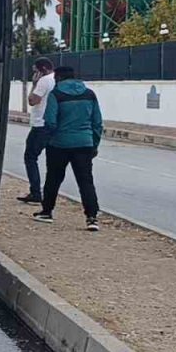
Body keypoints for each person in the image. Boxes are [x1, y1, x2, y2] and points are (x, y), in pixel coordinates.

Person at [34, 66, 104, 231]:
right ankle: (92, 217)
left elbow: (50, 121)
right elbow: (97, 123)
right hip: (84, 143)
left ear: (58, 78)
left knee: (53, 178)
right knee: (85, 181)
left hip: (59, 144)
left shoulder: (56, 95)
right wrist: (94, 144)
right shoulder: (90, 94)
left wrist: (49, 139)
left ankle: (47, 211)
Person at [17, 57, 55, 203]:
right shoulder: (56, 79)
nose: (34, 74)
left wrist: (34, 85)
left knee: (30, 157)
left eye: (35, 71)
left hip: (40, 124)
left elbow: (33, 101)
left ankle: (36, 193)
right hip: (53, 124)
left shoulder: (43, 81)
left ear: (42, 69)